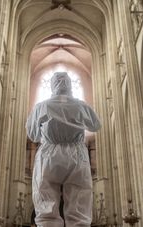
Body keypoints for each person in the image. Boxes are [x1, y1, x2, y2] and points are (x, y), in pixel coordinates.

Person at [26, 72, 101, 227]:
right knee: (79, 207)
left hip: (49, 155)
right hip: (77, 156)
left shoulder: (42, 106)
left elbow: (33, 135)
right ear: (70, 84)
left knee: (46, 204)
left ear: (53, 85)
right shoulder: (81, 105)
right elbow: (95, 125)